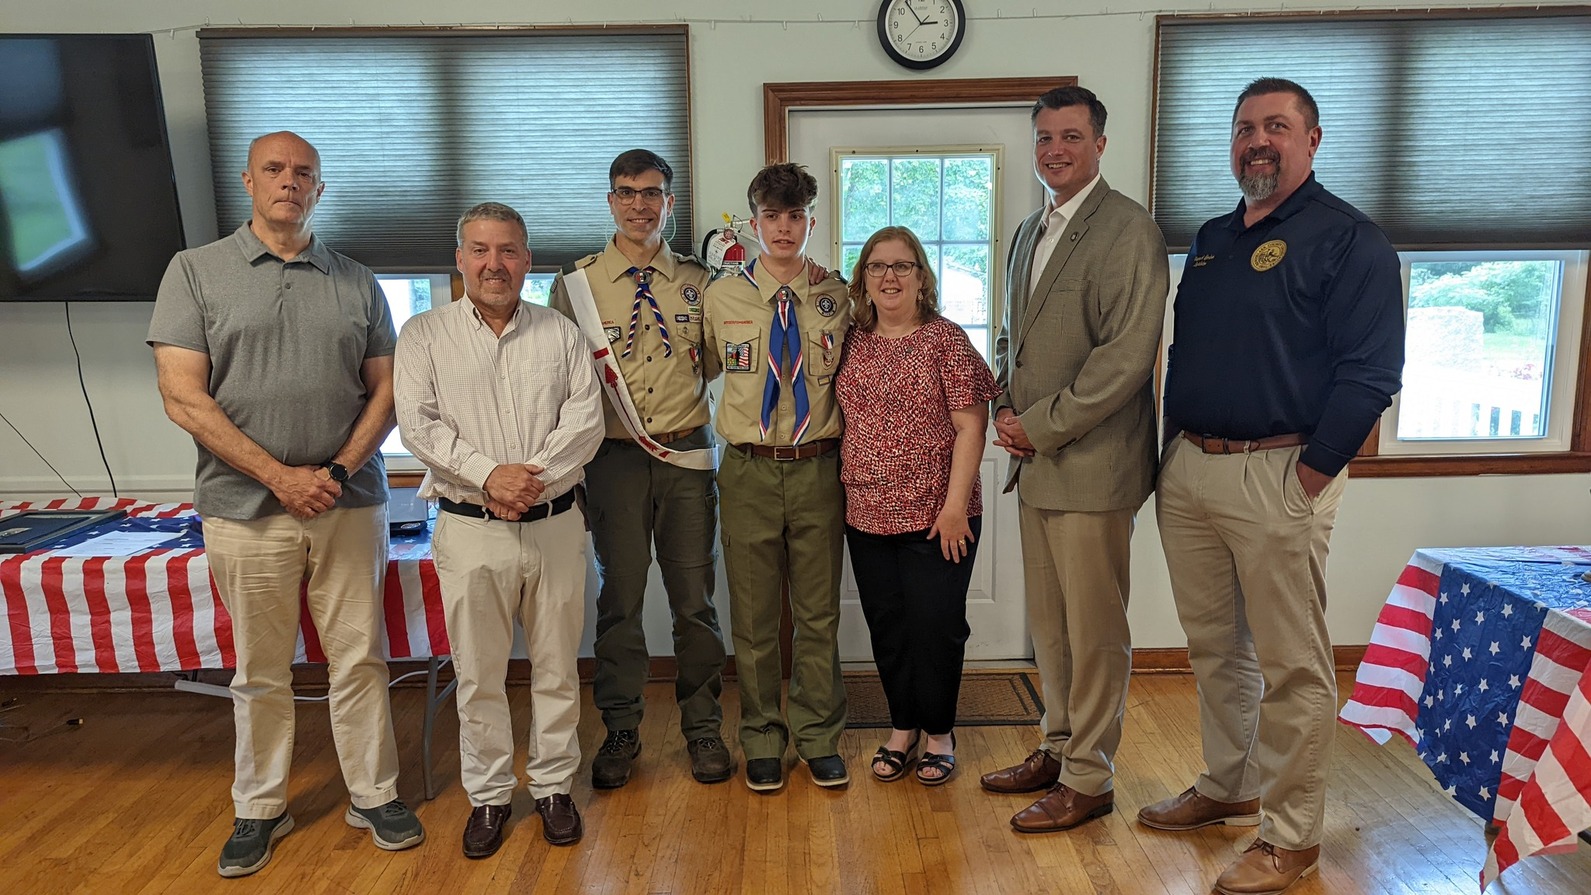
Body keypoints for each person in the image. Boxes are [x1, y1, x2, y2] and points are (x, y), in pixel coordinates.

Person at [1141, 78, 1403, 895]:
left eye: (1277, 126)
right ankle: (1228, 783)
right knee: (1215, 647)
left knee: (1292, 665)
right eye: (1245, 127)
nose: (1258, 139)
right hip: (1189, 469)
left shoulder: (1349, 240)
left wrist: (1309, 475)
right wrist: (1168, 457)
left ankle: (1290, 837)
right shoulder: (1213, 236)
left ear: (1312, 139)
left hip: (1280, 472)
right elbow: (1185, 354)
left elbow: (1370, 374)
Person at [148, 130, 423, 878]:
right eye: (274, 168)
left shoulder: (355, 280)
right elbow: (183, 396)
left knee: (359, 658)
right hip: (243, 507)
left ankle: (374, 793)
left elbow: (388, 390)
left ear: (320, 189)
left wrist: (331, 470)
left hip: (348, 501)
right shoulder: (195, 272)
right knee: (260, 668)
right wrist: (280, 475)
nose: (289, 181)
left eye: (304, 172)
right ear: (247, 180)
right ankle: (260, 805)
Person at [979, 86, 1169, 833]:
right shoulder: (1030, 229)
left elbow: (1124, 361)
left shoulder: (1128, 230)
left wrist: (1037, 426)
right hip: (1037, 462)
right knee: (1050, 625)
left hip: (1092, 464)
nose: (1053, 149)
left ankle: (1089, 777)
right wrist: (1001, 403)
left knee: (1094, 632)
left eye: (1069, 136)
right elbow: (1009, 337)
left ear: (1099, 142)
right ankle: (1057, 746)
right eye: (1043, 138)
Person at [394, 202, 604, 855]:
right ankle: (487, 796)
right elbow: (418, 424)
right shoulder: (424, 335)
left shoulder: (560, 334)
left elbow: (585, 421)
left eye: (508, 250)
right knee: (479, 672)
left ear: (527, 260)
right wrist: (490, 475)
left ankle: (551, 787)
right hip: (469, 527)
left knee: (555, 667)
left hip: (553, 524)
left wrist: (526, 478)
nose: (494, 263)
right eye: (480, 250)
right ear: (460, 259)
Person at [548, 149, 733, 789]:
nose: (638, 204)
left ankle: (703, 727)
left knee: (695, 602)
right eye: (625, 193)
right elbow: (561, 384)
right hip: (613, 461)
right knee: (620, 602)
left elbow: (715, 364)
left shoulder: (700, 281)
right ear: (610, 201)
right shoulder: (575, 284)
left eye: (651, 193)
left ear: (669, 202)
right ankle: (621, 727)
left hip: (685, 458)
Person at [701, 162, 852, 793]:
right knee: (756, 616)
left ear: (812, 220)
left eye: (796, 216)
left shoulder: (839, 296)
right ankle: (762, 737)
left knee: (817, 615)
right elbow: (697, 372)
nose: (784, 228)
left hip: (818, 469)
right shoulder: (720, 296)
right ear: (753, 221)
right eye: (772, 216)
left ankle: (818, 736)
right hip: (748, 471)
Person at [835, 226, 1000, 786]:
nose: (889, 277)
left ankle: (939, 733)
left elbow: (971, 427)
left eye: (902, 266)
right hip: (866, 514)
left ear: (922, 276)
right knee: (889, 626)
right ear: (863, 279)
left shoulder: (947, 341)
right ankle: (902, 726)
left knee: (936, 626)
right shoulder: (851, 341)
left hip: (939, 517)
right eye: (877, 267)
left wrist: (955, 507)